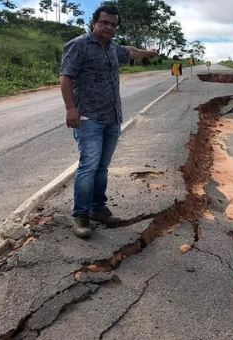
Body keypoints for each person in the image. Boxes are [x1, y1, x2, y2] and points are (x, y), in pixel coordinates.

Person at [60, 5, 157, 239]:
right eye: (105, 23)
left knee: (102, 167)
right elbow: (65, 78)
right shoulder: (79, 45)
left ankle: (98, 209)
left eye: (113, 25)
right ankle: (81, 215)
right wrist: (71, 108)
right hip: (89, 117)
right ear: (94, 22)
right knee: (89, 166)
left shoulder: (113, 48)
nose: (109, 28)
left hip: (113, 118)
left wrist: (149, 53)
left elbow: (130, 51)